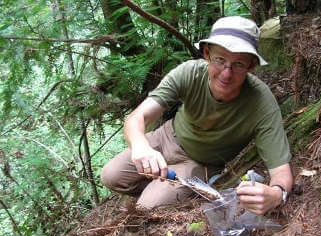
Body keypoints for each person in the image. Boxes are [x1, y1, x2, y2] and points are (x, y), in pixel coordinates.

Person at [101, 16, 293, 215]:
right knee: (111, 175)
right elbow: (137, 118)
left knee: (146, 208)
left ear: (251, 66)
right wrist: (141, 146)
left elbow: (281, 171)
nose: (226, 74)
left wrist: (277, 194)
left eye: (238, 65)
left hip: (200, 163)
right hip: (166, 138)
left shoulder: (260, 102)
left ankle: (169, 191)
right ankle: (163, 186)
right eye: (220, 60)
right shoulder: (190, 73)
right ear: (207, 53)